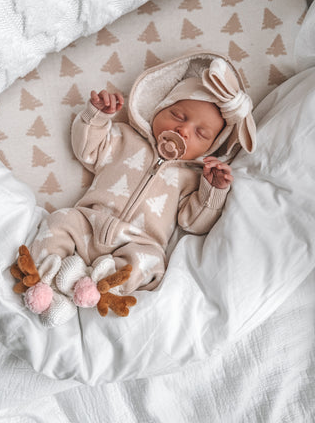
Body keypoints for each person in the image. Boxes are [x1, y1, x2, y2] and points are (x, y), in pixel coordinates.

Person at [21, 52, 256, 326]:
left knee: (153, 263)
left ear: (211, 147)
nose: (184, 130)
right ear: (159, 109)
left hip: (138, 243)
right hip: (89, 221)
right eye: (178, 115)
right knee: (60, 219)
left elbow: (193, 222)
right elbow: (87, 149)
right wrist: (97, 116)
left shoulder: (191, 176)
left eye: (201, 134)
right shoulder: (124, 137)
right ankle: (46, 280)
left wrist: (213, 190)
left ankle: (98, 286)